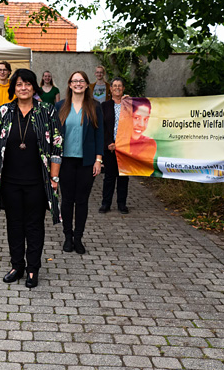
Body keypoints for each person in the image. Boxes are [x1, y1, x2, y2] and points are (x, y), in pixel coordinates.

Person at [0, 69, 62, 289]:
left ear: (34, 87)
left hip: (38, 181)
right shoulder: (4, 111)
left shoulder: (46, 111)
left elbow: (57, 144)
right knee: (14, 225)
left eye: (28, 84)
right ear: (13, 87)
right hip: (9, 181)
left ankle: (32, 269)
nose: (23, 88)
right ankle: (17, 266)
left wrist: (54, 176)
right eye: (19, 84)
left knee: (35, 225)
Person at [55, 71, 104, 254]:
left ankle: (78, 238)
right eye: (74, 81)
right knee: (67, 200)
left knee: (82, 201)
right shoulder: (60, 106)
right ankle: (67, 237)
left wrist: (98, 160)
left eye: (81, 81)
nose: (78, 84)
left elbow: (100, 134)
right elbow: (53, 135)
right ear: (69, 84)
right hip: (65, 161)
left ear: (86, 84)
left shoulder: (94, 106)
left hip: (87, 162)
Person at [99, 77, 130, 214]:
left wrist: (130, 101)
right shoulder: (104, 106)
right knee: (109, 177)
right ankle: (106, 204)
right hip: (110, 148)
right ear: (110, 89)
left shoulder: (129, 105)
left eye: (120, 86)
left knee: (123, 177)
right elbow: (102, 127)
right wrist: (108, 143)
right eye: (114, 86)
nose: (117, 88)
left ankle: (122, 204)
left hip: (125, 147)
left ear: (123, 89)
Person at [115, 97, 157, 177]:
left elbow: (142, 170)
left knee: (123, 182)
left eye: (146, 119)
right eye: (136, 118)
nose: (141, 124)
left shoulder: (149, 144)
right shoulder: (119, 138)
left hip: (125, 176)